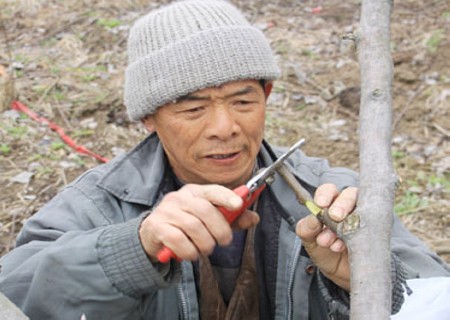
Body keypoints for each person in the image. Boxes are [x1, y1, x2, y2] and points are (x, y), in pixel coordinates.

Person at [0, 1, 448, 319]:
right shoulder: (98, 206)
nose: (224, 127)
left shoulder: (333, 198)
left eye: (243, 100)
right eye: (193, 109)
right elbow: (15, 293)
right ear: (149, 119)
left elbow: (436, 297)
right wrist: (134, 249)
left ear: (267, 96)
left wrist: (371, 278)